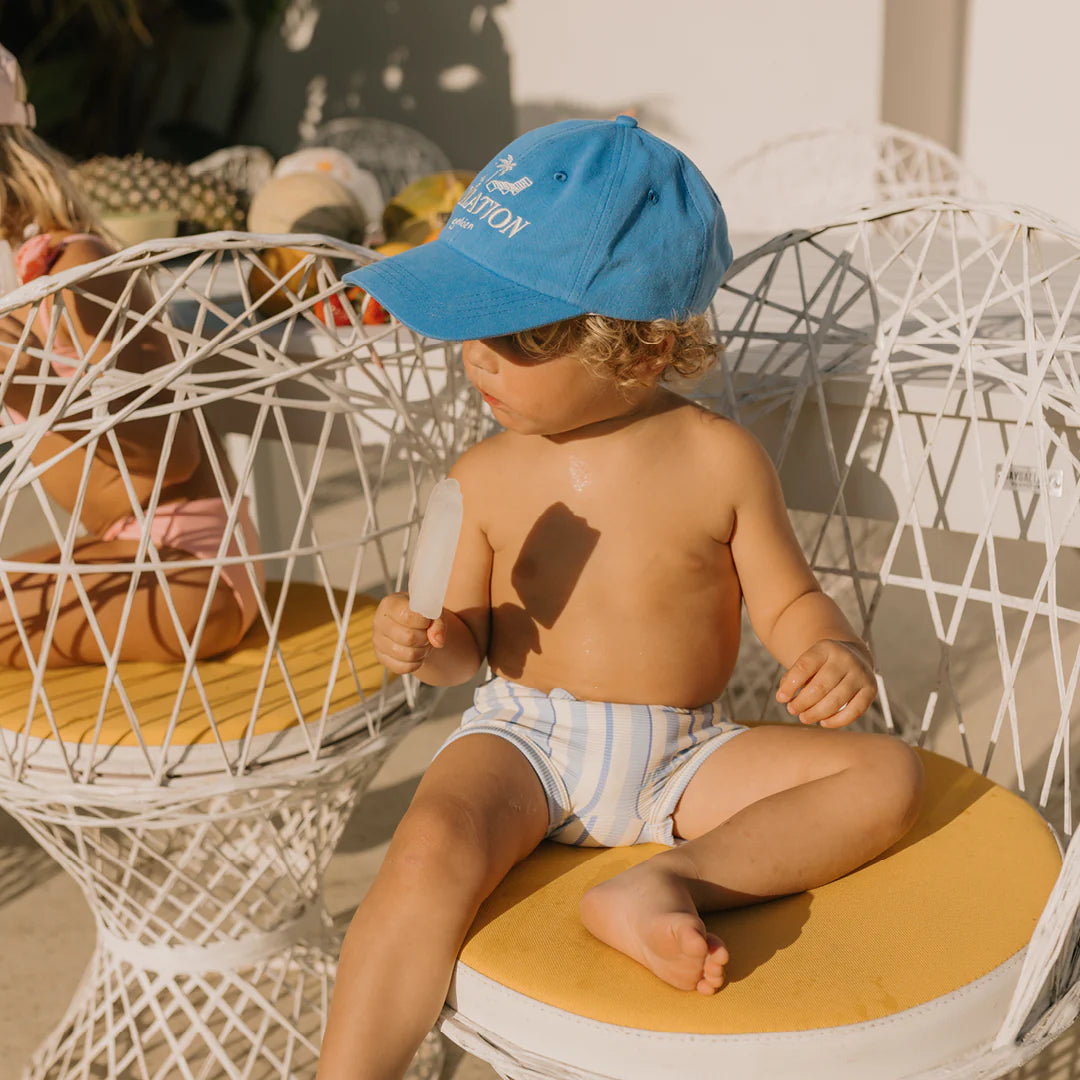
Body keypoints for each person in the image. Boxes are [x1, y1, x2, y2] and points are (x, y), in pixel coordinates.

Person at [319, 116, 925, 1080]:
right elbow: (465, 646)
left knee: (884, 777)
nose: (478, 359)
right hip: (525, 737)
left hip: (684, 753)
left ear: (639, 350)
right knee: (431, 841)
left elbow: (789, 599)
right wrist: (423, 641)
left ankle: (665, 883)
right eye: (470, 329)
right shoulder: (485, 476)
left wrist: (830, 646)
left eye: (517, 335)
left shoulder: (717, 461)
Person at [0, 44, 262, 667]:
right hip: (131, 557)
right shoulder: (15, 297)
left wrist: (27, 377)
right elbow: (98, 502)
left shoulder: (74, 270)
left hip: (197, 573)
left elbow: (169, 460)